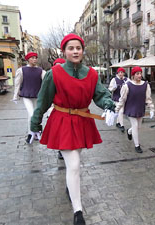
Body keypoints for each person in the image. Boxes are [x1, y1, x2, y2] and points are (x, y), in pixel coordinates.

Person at [30, 33, 116, 225]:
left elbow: (100, 95)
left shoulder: (92, 74)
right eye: (71, 48)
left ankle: (71, 185)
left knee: (74, 163)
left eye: (78, 48)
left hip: (83, 121)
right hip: (62, 121)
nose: (75, 51)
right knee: (74, 164)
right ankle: (78, 211)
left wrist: (109, 104)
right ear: (64, 51)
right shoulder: (54, 74)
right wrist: (35, 123)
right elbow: (43, 101)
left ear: (82, 50)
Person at [115, 66, 155, 153]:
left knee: (138, 127)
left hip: (140, 108)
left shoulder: (145, 85)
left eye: (140, 73)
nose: (139, 75)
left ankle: (129, 132)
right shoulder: (127, 86)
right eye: (137, 74)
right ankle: (137, 145)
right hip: (131, 108)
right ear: (133, 75)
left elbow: (148, 98)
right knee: (135, 126)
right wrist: (117, 110)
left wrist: (151, 108)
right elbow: (122, 99)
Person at [12, 52, 46, 143]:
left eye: (36, 58)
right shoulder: (22, 70)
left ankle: (33, 132)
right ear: (28, 59)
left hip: (37, 96)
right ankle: (32, 133)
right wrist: (15, 96)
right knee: (31, 114)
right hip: (26, 95)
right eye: (33, 58)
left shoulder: (40, 71)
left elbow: (46, 82)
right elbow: (17, 83)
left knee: (35, 115)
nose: (35, 59)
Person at [49, 58, 66, 160]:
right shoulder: (51, 77)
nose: (58, 67)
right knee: (60, 131)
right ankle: (60, 149)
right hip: (57, 110)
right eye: (56, 65)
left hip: (70, 111)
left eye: (60, 65)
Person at [108, 67, 128, 132]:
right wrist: (114, 87)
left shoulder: (126, 80)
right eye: (119, 72)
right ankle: (122, 125)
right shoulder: (114, 80)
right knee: (121, 111)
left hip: (124, 98)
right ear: (117, 73)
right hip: (117, 98)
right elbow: (110, 89)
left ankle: (117, 123)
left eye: (122, 72)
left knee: (120, 111)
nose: (120, 74)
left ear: (124, 73)